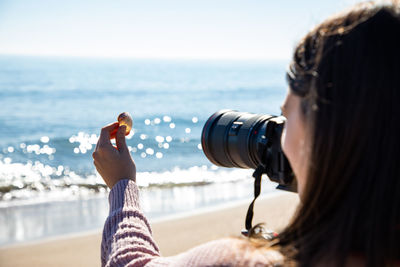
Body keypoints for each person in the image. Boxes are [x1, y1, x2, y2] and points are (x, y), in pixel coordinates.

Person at [93, 2, 400, 266]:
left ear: (321, 132)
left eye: (285, 117)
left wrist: (122, 184)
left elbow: (130, 261)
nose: (279, 133)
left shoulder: (245, 261)